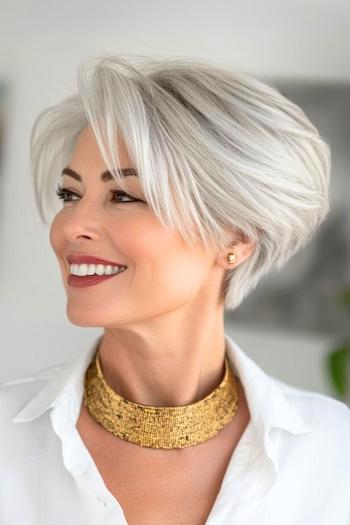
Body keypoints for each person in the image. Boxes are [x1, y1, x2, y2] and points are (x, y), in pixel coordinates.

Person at [1, 53, 350, 525]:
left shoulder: (334, 450)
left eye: (124, 196)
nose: (71, 226)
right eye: (70, 194)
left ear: (236, 238)